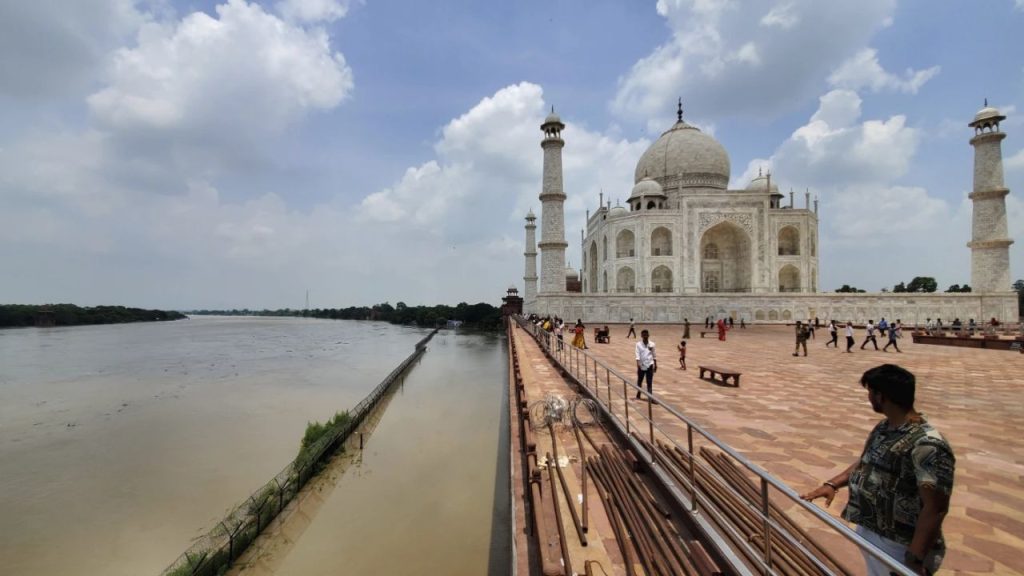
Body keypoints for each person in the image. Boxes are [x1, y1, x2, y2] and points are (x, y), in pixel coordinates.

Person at [801, 364, 954, 576]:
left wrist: (915, 557)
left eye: (870, 392)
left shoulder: (927, 444)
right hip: (873, 529)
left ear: (881, 396)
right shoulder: (885, 427)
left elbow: (936, 507)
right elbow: (868, 461)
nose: (869, 398)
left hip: (899, 544)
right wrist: (833, 484)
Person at [634, 329, 657, 400]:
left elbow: (654, 354)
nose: (645, 336)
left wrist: (655, 364)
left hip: (650, 364)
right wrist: (638, 363)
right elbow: (637, 353)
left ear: (648, 335)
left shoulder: (652, 344)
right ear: (641, 336)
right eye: (644, 335)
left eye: (646, 335)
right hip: (641, 365)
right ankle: (638, 394)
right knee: (640, 380)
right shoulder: (638, 344)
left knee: (649, 382)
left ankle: (650, 397)